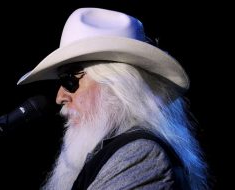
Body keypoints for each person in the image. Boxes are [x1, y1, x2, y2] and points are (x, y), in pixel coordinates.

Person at [17, 7, 209, 190]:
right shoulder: (108, 153)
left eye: (69, 80)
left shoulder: (140, 155)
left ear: (117, 85)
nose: (59, 97)